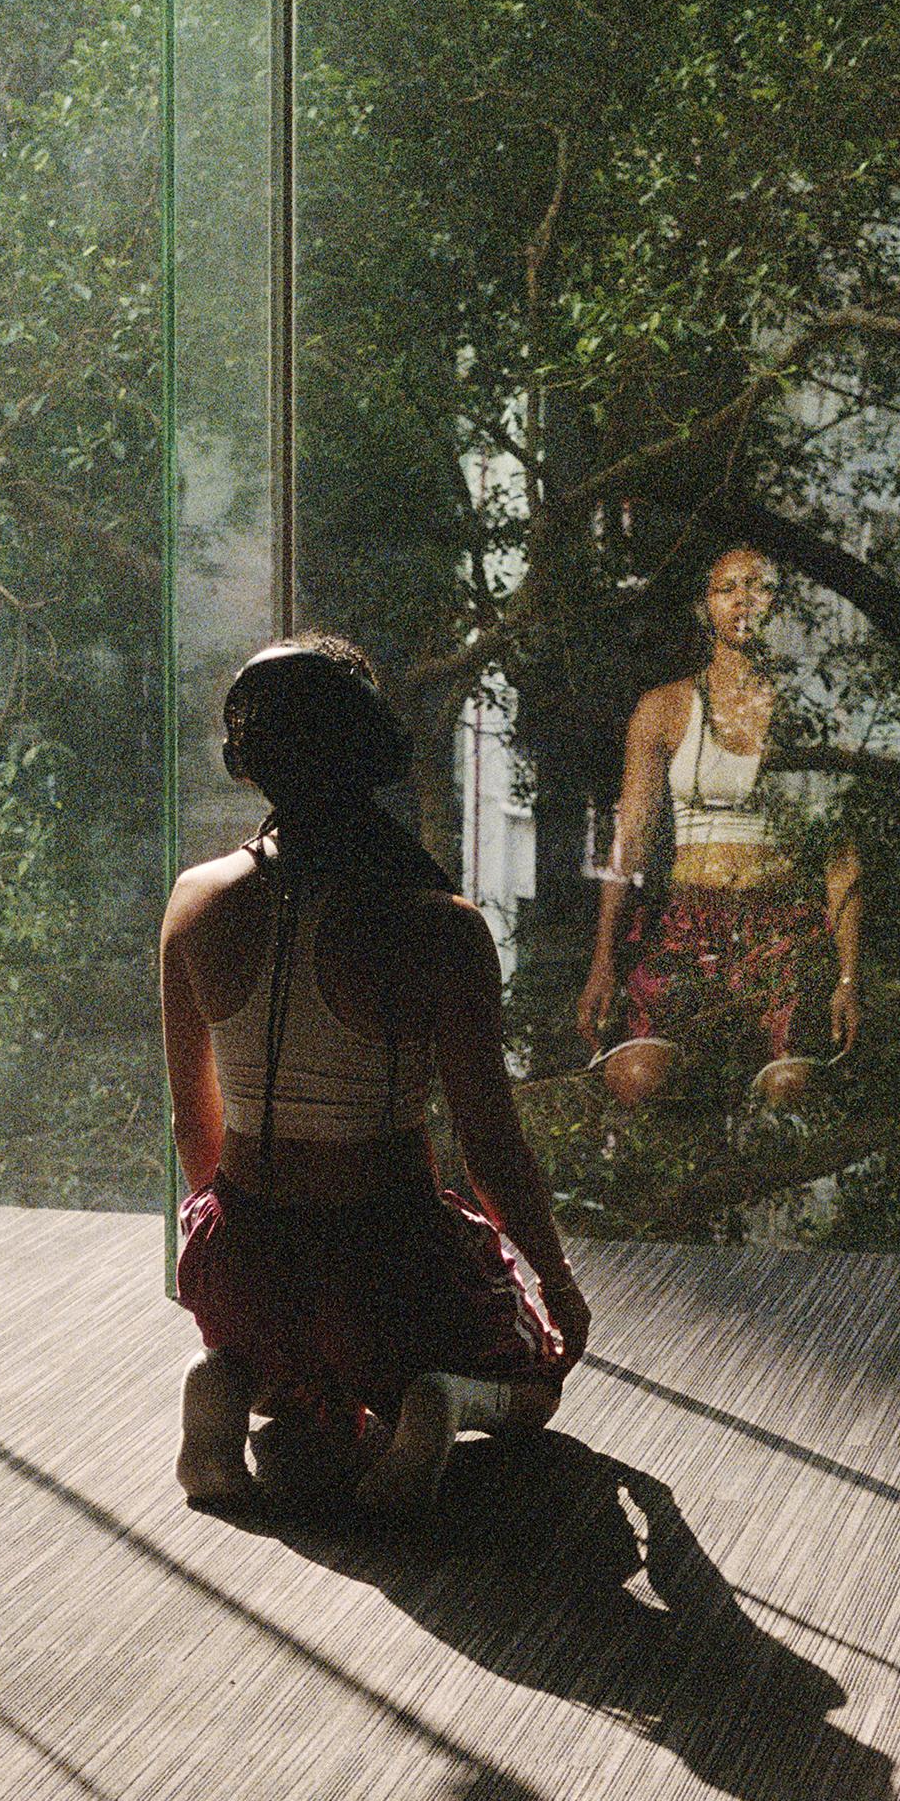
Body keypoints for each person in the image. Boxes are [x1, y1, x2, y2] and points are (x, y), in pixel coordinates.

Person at [162, 634, 592, 1519]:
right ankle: (436, 1403)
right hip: (385, 1264)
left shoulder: (194, 899)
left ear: (251, 760)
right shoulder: (438, 927)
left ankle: (232, 1378)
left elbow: (192, 1130)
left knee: (296, 1378)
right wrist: (555, 1282)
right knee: (539, 1385)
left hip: (245, 1254)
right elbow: (491, 1148)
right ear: (374, 750)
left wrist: (240, 1259)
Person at [576, 544, 862, 1106]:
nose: (743, 601)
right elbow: (628, 841)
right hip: (685, 924)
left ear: (782, 605)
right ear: (705, 605)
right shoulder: (665, 708)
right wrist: (603, 960)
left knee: (793, 1089)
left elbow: (842, 858)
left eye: (759, 587)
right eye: (727, 588)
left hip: (780, 930)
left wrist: (849, 978)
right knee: (639, 1078)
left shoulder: (810, 715)